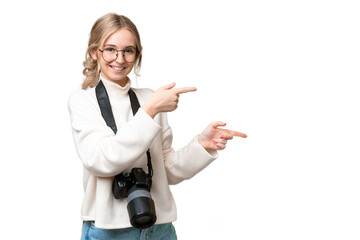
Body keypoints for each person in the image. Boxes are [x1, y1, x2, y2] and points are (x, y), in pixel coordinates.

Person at [68, 13, 247, 240]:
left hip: (159, 227)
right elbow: (102, 160)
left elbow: (165, 169)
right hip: (109, 230)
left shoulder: (149, 98)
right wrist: (150, 111)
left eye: (128, 51)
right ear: (95, 53)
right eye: (110, 49)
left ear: (137, 54)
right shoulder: (83, 101)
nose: (120, 59)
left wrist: (201, 145)